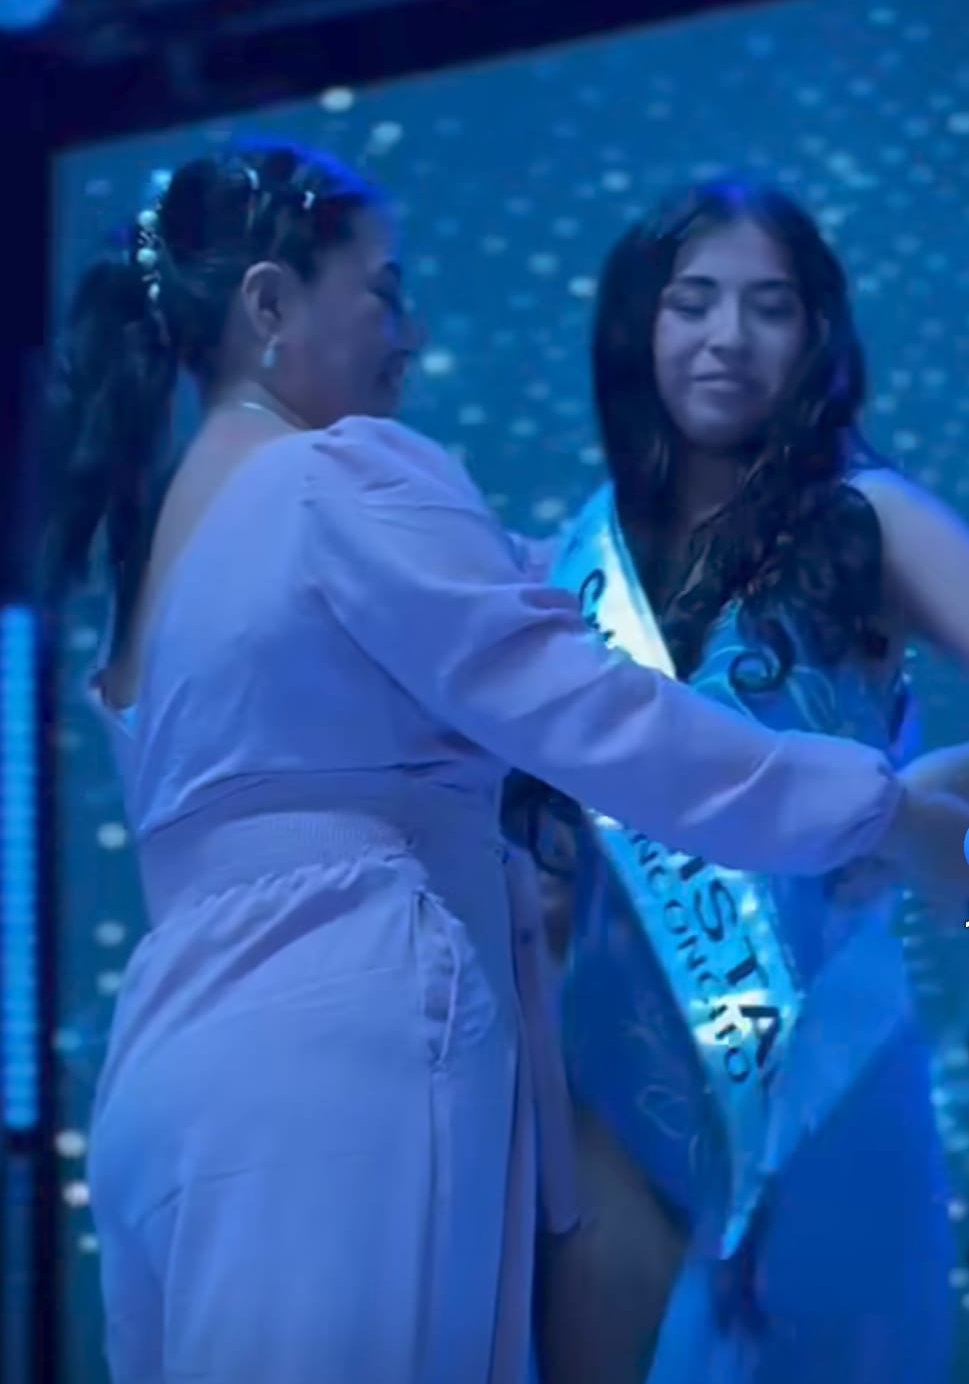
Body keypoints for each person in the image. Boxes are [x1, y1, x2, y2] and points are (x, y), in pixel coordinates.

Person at [42, 150, 967, 1384]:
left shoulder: (161, 552)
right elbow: (598, 714)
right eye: (384, 292)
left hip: (167, 1068)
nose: (411, 333)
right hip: (345, 1053)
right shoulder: (344, 476)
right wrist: (881, 809)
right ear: (269, 305)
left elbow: (535, 612)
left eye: (770, 306)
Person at [509, 178, 969, 1384]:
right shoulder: (572, 564)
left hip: (824, 1068)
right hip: (609, 1081)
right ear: (639, 326)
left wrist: (924, 802)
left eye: (770, 307)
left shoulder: (867, 517)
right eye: (694, 302)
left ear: (816, 334)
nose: (729, 337)